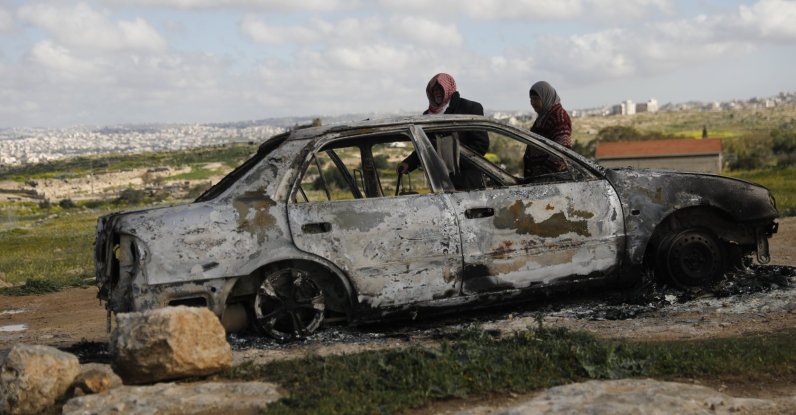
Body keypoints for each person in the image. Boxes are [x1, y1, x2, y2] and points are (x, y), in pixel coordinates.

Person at [397, 73, 489, 190]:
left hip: (467, 182)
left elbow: (480, 145)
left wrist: (452, 163)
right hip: (440, 183)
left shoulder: (469, 108)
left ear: (448, 89)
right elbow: (426, 146)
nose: (437, 92)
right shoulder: (427, 115)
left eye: (440, 88)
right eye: (434, 89)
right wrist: (409, 163)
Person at [523, 81, 571, 177]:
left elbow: (563, 148)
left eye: (536, 99)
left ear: (546, 97)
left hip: (553, 179)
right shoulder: (543, 116)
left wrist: (545, 173)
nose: (533, 103)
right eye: (531, 99)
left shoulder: (558, 116)